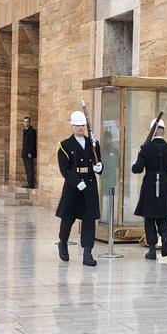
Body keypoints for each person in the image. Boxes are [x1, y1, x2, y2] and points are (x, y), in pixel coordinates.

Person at [55, 111, 103, 266]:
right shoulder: (64, 145)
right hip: (73, 187)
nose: (81, 128)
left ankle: (87, 253)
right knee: (68, 219)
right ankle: (63, 242)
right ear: (72, 126)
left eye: (83, 125)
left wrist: (99, 168)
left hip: (89, 185)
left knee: (89, 220)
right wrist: (76, 181)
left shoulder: (93, 144)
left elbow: (98, 162)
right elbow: (64, 168)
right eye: (78, 125)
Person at [131, 118, 167, 260]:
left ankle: (152, 250)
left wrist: (138, 157)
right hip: (165, 184)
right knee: (162, 215)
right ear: (163, 132)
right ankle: (164, 236)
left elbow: (137, 169)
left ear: (151, 133)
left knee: (150, 218)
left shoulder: (146, 149)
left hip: (150, 184)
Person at [21, 116, 37, 188]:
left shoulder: (32, 130)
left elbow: (32, 142)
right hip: (25, 152)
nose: (26, 123)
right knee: (26, 168)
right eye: (25, 122)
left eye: (27, 121)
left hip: (29, 153)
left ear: (29, 122)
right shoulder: (24, 130)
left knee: (30, 168)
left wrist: (30, 152)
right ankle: (28, 182)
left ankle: (31, 183)